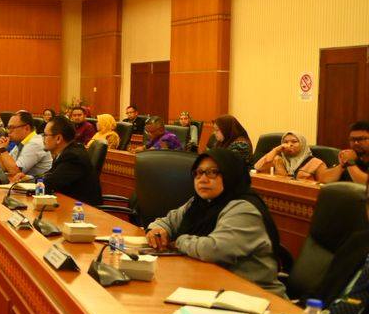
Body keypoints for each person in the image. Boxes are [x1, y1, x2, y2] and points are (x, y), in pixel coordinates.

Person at [146, 149, 287, 295]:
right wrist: (158, 230)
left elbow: (213, 250)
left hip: (256, 295)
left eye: (212, 172)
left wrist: (180, 241)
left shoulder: (244, 208)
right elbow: (169, 221)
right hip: (213, 288)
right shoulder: (199, 202)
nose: (203, 179)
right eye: (198, 172)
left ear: (230, 174)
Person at [39, 116, 102, 205]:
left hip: (82, 210)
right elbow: (50, 175)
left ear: (58, 138)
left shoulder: (73, 157)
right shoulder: (66, 152)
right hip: (68, 204)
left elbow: (50, 183)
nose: (43, 139)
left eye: (45, 135)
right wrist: (30, 178)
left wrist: (35, 180)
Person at [0, 110, 51, 182]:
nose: (8, 131)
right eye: (8, 128)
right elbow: (5, 167)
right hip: (23, 185)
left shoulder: (35, 143)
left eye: (12, 127)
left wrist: (2, 150)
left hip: (39, 186)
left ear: (26, 128)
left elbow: (16, 172)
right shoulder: (21, 142)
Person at [254, 132, 326, 180]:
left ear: (303, 144)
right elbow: (258, 168)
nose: (289, 144)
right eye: (285, 142)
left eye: (294, 141)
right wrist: (276, 150)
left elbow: (325, 185)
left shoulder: (316, 163)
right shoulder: (277, 160)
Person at [317, 120, 369, 184]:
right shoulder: (352, 157)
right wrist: (342, 165)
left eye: (361, 139)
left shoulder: (350, 161)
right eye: (352, 139)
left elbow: (366, 184)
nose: (356, 143)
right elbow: (324, 179)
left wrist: (350, 162)